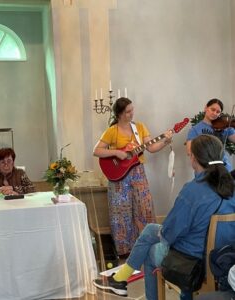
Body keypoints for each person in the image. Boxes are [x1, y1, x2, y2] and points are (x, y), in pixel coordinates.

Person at [93, 134, 235, 300]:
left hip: (194, 263)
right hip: (226, 258)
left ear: (194, 158)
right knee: (151, 229)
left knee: (150, 249)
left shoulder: (192, 191)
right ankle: (120, 280)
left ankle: (123, 282)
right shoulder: (231, 185)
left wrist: (163, 234)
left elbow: (170, 233)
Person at [93, 97, 173, 257]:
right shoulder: (112, 130)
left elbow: (151, 147)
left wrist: (165, 141)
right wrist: (117, 152)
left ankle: (146, 246)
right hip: (119, 177)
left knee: (145, 207)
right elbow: (97, 151)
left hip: (138, 172)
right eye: (128, 111)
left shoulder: (140, 127)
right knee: (120, 211)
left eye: (132, 110)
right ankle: (124, 251)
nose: (132, 113)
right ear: (120, 114)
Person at [186, 99, 235, 172]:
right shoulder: (195, 130)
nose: (215, 113)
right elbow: (189, 151)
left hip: (224, 167)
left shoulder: (224, 127)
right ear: (206, 108)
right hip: (205, 169)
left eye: (218, 112)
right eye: (213, 109)